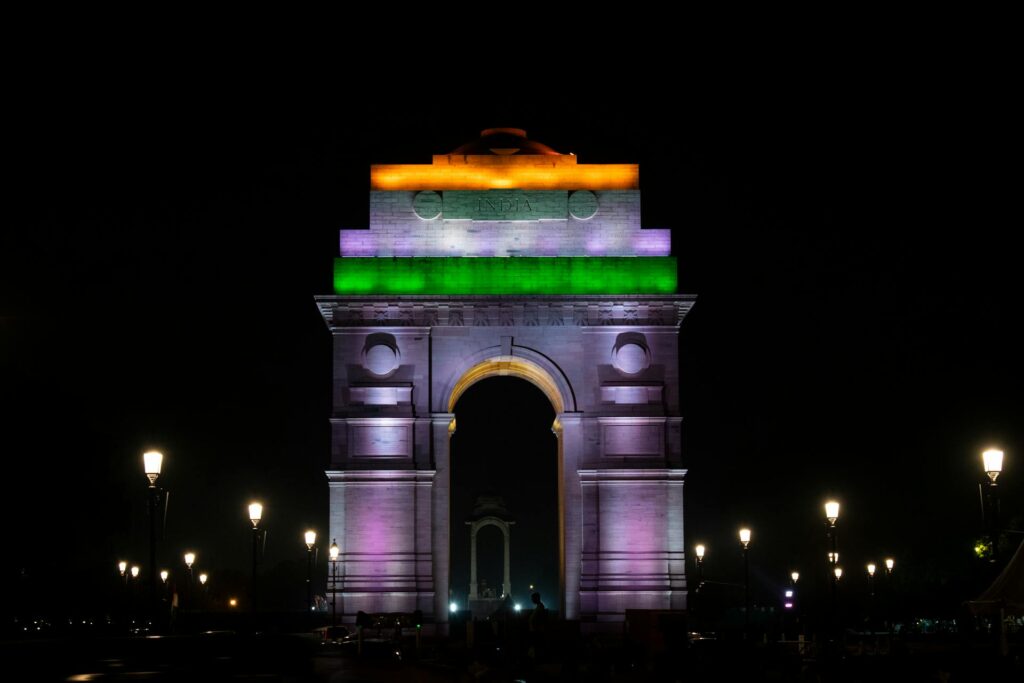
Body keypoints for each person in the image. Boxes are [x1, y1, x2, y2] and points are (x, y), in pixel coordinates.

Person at [528, 592, 547, 660]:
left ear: (536, 598)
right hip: (535, 631)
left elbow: (540, 619)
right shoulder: (539, 607)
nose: (531, 600)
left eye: (532, 598)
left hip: (537, 632)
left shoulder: (540, 608)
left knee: (537, 647)